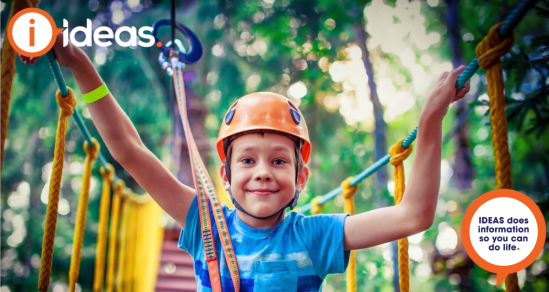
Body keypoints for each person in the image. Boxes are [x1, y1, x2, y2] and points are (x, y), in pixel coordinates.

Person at [21, 33, 470, 291]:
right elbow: (128, 151)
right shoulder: (204, 223)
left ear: (301, 176)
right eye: (247, 160)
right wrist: (81, 66)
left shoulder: (316, 235)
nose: (261, 172)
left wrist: (431, 117)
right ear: (225, 174)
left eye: (278, 161)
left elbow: (414, 215)